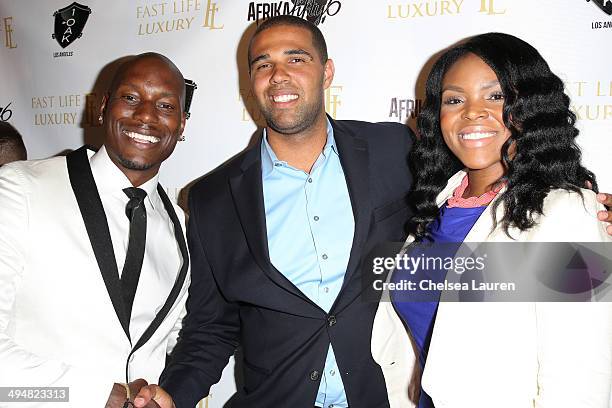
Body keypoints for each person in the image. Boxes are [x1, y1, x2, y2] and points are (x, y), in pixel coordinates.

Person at [135, 15, 414, 408]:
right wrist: (174, 395)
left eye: (296, 59)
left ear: (327, 72)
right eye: (263, 65)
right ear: (251, 83)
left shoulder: (394, 149)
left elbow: (450, 247)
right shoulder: (212, 199)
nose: (278, 75)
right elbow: (210, 327)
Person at [371, 33, 612, 408]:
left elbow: (582, 379)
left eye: (495, 96)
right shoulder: (433, 209)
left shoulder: (567, 212)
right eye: (454, 100)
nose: (472, 112)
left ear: (531, 106)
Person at [0, 52, 190, 407]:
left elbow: (173, 339)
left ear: (181, 126)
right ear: (103, 107)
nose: (146, 115)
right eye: (131, 98)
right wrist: (89, 394)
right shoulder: (20, 188)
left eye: (165, 106)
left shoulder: (179, 225)